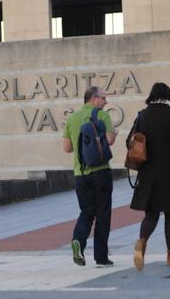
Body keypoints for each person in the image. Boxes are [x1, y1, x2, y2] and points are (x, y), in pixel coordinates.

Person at [128, 82, 170, 271]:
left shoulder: (142, 116)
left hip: (148, 170)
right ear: (168, 96)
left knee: (151, 213)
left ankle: (142, 241)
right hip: (168, 171)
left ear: (151, 96)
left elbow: (129, 141)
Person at [62, 86, 118, 268]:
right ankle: (101, 258)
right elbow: (109, 141)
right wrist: (113, 135)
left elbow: (67, 148)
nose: (106, 102)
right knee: (103, 214)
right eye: (103, 98)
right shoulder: (103, 115)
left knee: (86, 212)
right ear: (94, 99)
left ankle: (78, 240)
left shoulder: (71, 118)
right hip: (100, 172)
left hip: (80, 175)